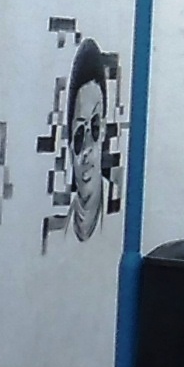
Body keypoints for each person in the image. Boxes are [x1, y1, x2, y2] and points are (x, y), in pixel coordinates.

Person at [62, 41, 113, 241]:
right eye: (79, 134)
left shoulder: (114, 217)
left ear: (104, 131)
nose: (86, 149)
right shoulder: (62, 230)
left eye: (95, 127)